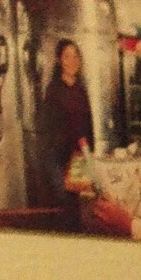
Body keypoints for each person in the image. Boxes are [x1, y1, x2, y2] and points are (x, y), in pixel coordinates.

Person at [33, 36, 97, 214]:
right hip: (58, 156)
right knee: (63, 201)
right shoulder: (54, 89)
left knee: (78, 202)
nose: (73, 61)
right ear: (59, 60)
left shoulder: (81, 88)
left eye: (76, 56)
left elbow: (88, 122)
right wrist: (53, 152)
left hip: (78, 155)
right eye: (67, 56)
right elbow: (47, 125)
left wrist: (88, 151)